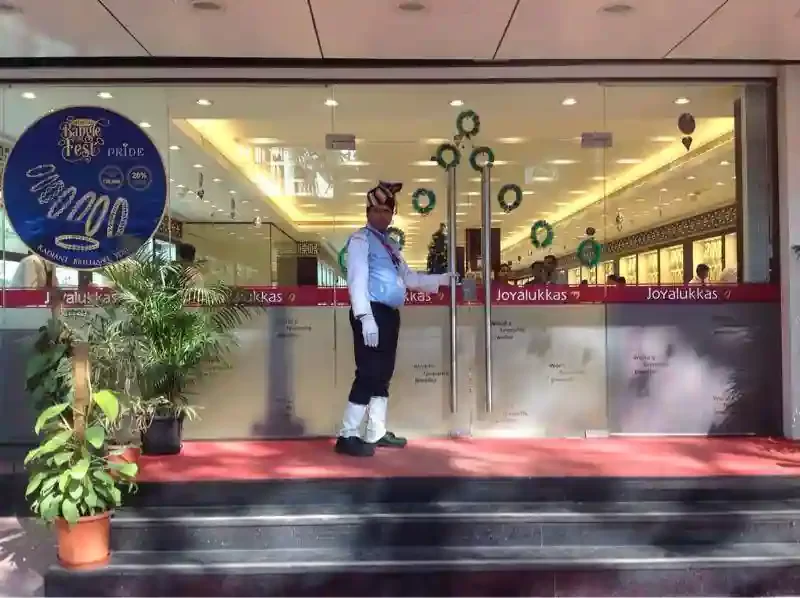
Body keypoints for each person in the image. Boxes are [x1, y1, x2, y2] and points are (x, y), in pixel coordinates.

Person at [336, 180, 455, 458]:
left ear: (392, 215)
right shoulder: (360, 240)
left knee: (383, 375)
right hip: (371, 312)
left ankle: (375, 431)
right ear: (368, 212)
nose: (381, 215)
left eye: (386, 211)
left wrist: (442, 279)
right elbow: (357, 279)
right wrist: (364, 316)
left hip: (389, 315)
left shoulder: (389, 244)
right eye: (376, 210)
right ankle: (347, 434)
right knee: (368, 373)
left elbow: (409, 278)